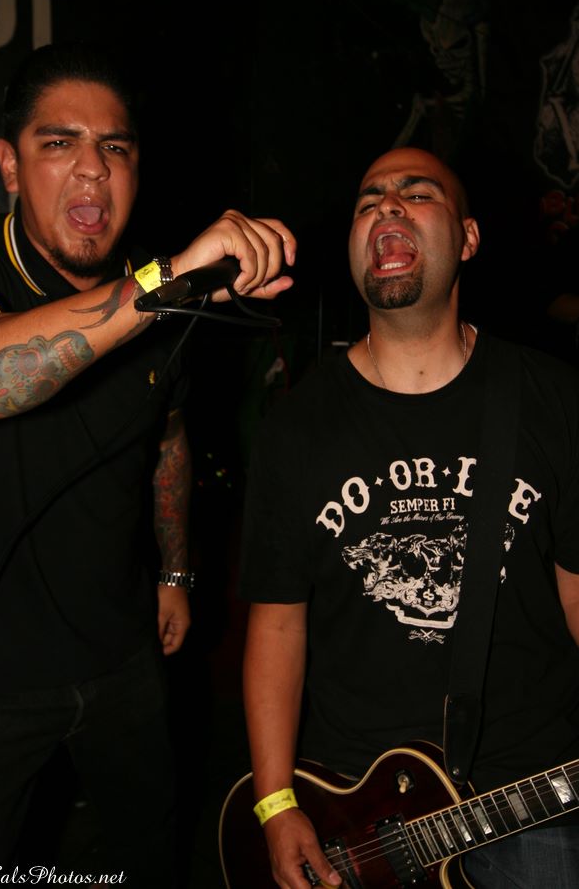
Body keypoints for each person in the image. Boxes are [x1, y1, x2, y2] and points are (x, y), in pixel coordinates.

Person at [0, 40, 296, 888]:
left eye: (114, 147)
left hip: (121, 654)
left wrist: (176, 572)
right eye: (59, 143)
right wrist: (166, 283)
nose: (92, 168)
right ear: (9, 165)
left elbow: (167, 435)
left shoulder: (160, 293)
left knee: (146, 856)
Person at [238, 146, 579, 888]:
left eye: (417, 194)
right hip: (358, 819)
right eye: (369, 202)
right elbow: (277, 625)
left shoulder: (553, 398)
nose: (387, 206)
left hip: (531, 796)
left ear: (468, 238)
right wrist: (275, 802)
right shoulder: (296, 428)